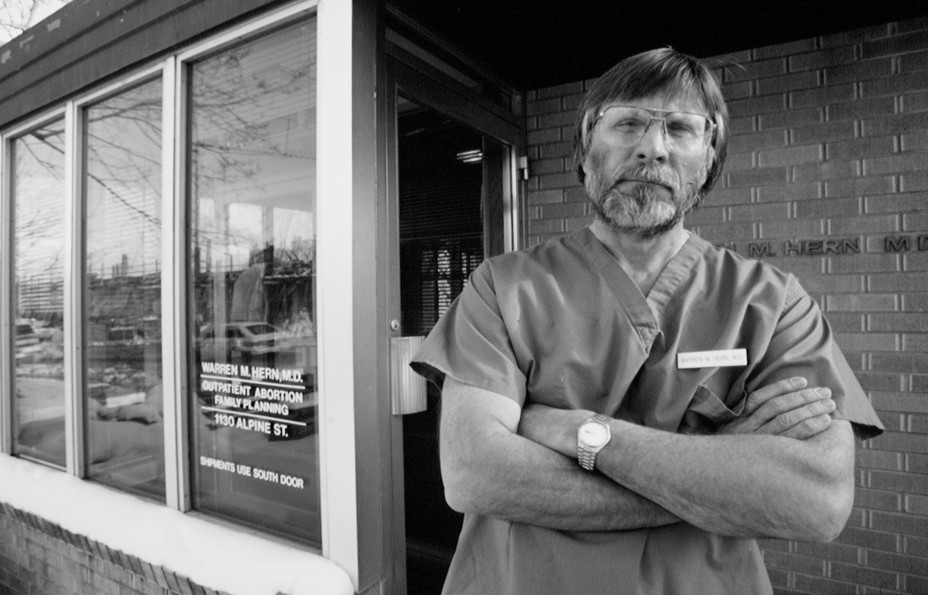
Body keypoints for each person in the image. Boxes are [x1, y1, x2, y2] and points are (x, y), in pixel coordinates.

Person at [411, 47, 883, 595]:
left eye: (680, 129)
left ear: (708, 158)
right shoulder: (502, 286)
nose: (652, 149)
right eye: (628, 123)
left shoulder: (773, 302)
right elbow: (475, 474)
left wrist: (578, 431)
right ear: (586, 152)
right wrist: (718, 474)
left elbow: (816, 501)